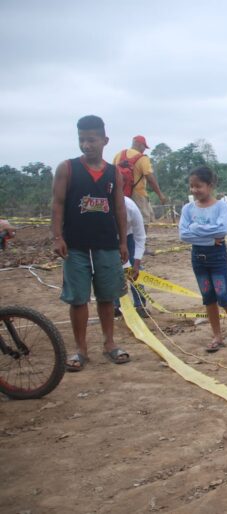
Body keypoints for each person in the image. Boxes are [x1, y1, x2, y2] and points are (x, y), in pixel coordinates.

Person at [51, 115, 131, 371]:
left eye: (92, 140)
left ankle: (109, 344)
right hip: (75, 246)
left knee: (107, 297)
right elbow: (58, 204)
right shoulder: (68, 168)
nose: (87, 145)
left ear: (104, 140)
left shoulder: (113, 172)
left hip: (107, 244)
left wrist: (122, 242)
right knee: (78, 299)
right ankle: (80, 349)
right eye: (82, 140)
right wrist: (57, 236)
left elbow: (119, 208)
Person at [179, 166, 227, 352]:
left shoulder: (221, 206)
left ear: (210, 185)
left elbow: (223, 230)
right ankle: (217, 336)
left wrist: (195, 228)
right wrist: (211, 238)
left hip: (217, 257)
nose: (194, 190)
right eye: (192, 186)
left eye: (199, 186)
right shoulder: (187, 209)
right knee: (208, 298)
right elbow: (184, 235)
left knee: (224, 297)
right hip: (199, 258)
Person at [113, 135, 168, 231]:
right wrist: (160, 195)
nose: (144, 150)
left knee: (123, 218)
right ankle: (141, 243)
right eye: (144, 147)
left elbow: (112, 172)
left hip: (120, 193)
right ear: (139, 144)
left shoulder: (118, 155)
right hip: (138, 194)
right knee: (144, 219)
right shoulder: (142, 158)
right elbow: (150, 178)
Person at [113, 196, 149, 319]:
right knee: (111, 270)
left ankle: (140, 305)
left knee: (134, 270)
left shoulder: (131, 207)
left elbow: (140, 237)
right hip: (107, 237)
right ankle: (115, 306)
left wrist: (136, 264)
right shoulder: (101, 205)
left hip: (129, 237)